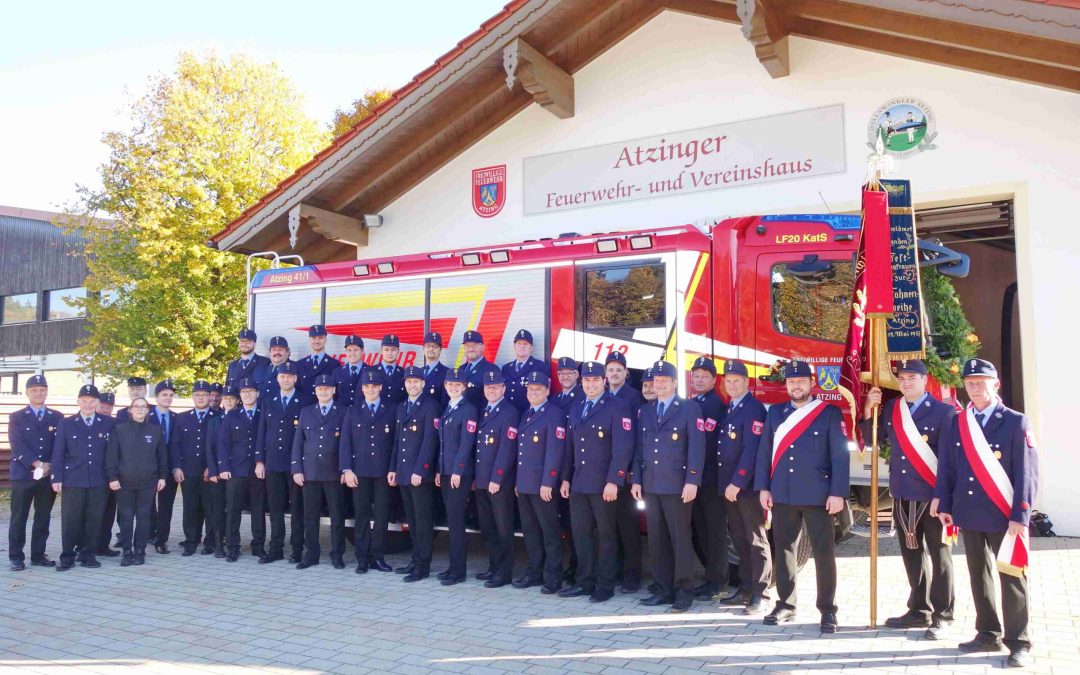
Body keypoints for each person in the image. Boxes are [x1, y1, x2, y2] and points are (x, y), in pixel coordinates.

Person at [933, 358, 1038, 668]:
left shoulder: (1016, 421)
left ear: (996, 384)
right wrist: (943, 502)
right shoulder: (958, 421)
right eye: (970, 383)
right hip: (969, 511)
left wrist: (1021, 515)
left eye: (981, 382)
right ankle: (987, 632)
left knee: (1012, 577)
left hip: (1003, 515)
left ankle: (1018, 641)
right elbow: (948, 467)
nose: (975, 388)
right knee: (979, 576)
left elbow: (1027, 473)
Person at [863, 359, 956, 637]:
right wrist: (869, 408)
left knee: (940, 557)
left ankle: (943, 615)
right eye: (902, 378)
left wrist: (943, 498)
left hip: (932, 498)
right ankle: (919, 609)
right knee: (911, 554)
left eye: (912, 377)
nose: (906, 383)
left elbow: (950, 462)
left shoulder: (944, 412)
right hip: (903, 494)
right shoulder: (893, 408)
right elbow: (873, 440)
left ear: (925, 380)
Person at [756, 360, 848, 633]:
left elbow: (840, 457)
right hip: (783, 492)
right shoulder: (776, 413)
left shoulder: (829, 413)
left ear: (811, 383)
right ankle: (786, 604)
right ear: (786, 385)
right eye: (791, 382)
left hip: (819, 494)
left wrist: (838, 493)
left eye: (801, 381)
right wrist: (763, 487)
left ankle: (828, 610)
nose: (796, 386)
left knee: (824, 552)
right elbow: (765, 453)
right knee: (784, 548)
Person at [631, 361, 706, 613]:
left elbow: (697, 447)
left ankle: (684, 591)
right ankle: (662, 589)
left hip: (677, 487)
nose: (659, 384)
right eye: (656, 381)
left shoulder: (689, 408)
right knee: (656, 540)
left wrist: (692, 480)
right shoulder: (648, 411)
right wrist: (637, 479)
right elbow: (640, 448)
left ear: (674, 383)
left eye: (665, 380)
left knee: (680, 539)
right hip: (651, 484)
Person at [558, 361, 634, 603]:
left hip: (604, 486)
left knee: (606, 535)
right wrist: (565, 479)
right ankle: (584, 581)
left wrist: (614, 481)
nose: (590, 384)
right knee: (580, 535)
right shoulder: (577, 406)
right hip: (579, 483)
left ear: (603, 380)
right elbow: (570, 447)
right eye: (586, 380)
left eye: (595, 380)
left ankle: (605, 584)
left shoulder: (617, 407)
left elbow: (622, 449)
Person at [719, 360, 771, 614]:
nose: (732, 385)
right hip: (729, 487)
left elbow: (752, 451)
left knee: (755, 539)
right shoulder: (731, 407)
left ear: (747, 382)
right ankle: (746, 587)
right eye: (728, 381)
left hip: (745, 486)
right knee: (739, 538)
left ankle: (760, 592)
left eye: (737, 380)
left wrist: (737, 482)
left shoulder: (753, 409)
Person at [513, 371, 567, 595]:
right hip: (525, 484)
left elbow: (555, 451)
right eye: (530, 389)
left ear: (547, 391)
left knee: (550, 532)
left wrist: (549, 482)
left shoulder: (554, 414)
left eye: (538, 389)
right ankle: (535, 571)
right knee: (531, 531)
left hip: (543, 486)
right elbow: (521, 452)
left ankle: (553, 576)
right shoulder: (526, 413)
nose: (533, 392)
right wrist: (518, 481)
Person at [51, 384, 114, 571]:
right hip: (73, 479)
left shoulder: (108, 423)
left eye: (92, 401)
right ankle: (67, 556)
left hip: (98, 479)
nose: (88, 404)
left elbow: (113, 452)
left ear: (97, 403)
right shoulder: (66, 423)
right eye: (84, 401)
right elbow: (58, 452)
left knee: (94, 519)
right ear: (78, 402)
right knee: (71, 519)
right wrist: (56, 478)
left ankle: (88, 554)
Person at [340, 369, 395, 574]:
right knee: (361, 516)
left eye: (374, 386)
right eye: (366, 386)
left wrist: (393, 469)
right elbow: (345, 442)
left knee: (381, 517)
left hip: (382, 472)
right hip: (359, 472)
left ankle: (377, 557)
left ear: (380, 387)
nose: (370, 390)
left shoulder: (391, 409)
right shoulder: (353, 411)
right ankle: (362, 558)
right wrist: (347, 470)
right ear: (362, 389)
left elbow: (396, 443)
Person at [292, 374, 347, 569]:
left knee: (337, 516)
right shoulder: (306, 412)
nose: (323, 391)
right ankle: (311, 554)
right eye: (320, 388)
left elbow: (346, 444)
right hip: (310, 472)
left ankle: (337, 554)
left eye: (327, 388)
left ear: (334, 390)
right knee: (310, 516)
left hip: (333, 473)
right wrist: (296, 468)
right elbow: (298, 442)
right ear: (315, 391)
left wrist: (345, 469)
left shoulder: (343, 411)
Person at [8, 374, 62, 571]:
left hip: (47, 476)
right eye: (34, 390)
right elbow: (17, 444)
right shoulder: (17, 417)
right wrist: (37, 463)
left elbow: (59, 445)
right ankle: (16, 556)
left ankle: (38, 555)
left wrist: (50, 466)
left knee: (43, 517)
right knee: (19, 517)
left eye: (42, 389)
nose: (39, 393)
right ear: (27, 393)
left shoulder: (56, 416)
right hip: (23, 475)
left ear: (46, 391)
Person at [106, 397, 168, 566]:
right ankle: (127, 551)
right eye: (137, 406)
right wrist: (112, 477)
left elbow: (162, 457)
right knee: (126, 517)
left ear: (148, 410)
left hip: (148, 483)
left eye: (144, 406)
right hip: (124, 482)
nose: (140, 409)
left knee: (143, 517)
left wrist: (162, 476)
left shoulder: (155, 431)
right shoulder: (119, 430)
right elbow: (112, 456)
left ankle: (140, 551)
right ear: (130, 410)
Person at [391, 366, 439, 582]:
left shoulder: (431, 407)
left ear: (423, 384)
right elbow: (397, 442)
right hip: (403, 472)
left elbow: (430, 442)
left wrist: (421, 470)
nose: (412, 385)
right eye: (409, 382)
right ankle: (415, 559)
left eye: (416, 381)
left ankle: (423, 565)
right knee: (411, 519)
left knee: (422, 520)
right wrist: (393, 468)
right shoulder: (401, 407)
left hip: (419, 474)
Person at [255, 361, 306, 564]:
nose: (286, 379)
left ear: (295, 378)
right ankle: (276, 548)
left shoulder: (305, 400)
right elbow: (262, 431)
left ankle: (297, 549)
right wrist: (259, 460)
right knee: (275, 508)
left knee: (296, 508)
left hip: (295, 464)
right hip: (273, 462)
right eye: (282, 376)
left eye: (289, 376)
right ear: (278, 378)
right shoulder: (268, 400)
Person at [473, 369, 518, 588]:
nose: (491, 390)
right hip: (482, 480)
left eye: (495, 387)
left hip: (497, 482)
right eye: (488, 387)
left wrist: (497, 478)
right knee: (488, 527)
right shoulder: (485, 410)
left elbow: (507, 449)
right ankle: (494, 566)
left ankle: (505, 572)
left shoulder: (509, 412)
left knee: (503, 528)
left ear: (503, 388)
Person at [689, 356, 728, 601]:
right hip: (698, 480)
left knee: (714, 534)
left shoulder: (715, 405)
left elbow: (706, 443)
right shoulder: (695, 402)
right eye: (696, 375)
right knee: (701, 530)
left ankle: (719, 583)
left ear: (715, 380)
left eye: (705, 375)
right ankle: (709, 579)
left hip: (711, 479)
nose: (699, 379)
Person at [435, 367, 479, 585]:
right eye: (450, 384)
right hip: (445, 472)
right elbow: (443, 445)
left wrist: (457, 470)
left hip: (457, 474)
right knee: (451, 521)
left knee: (456, 522)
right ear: (446, 386)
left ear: (464, 387)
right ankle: (453, 567)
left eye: (457, 385)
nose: (453, 387)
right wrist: (439, 469)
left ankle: (458, 571)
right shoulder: (448, 408)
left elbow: (466, 444)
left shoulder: (468, 409)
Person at [606, 351, 645, 593]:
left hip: (625, 473)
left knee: (628, 527)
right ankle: (616, 570)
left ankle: (632, 576)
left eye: (619, 370)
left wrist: (631, 472)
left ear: (626, 372)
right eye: (610, 370)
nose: (614, 373)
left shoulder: (634, 398)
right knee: (609, 527)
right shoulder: (598, 395)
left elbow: (636, 438)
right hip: (604, 473)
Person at [214, 378, 263, 562]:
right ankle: (233, 546)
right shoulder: (232, 416)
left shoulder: (262, 414)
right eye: (244, 392)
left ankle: (258, 545)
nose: (248, 394)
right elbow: (223, 444)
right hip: (236, 470)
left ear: (257, 394)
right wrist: (224, 467)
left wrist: (262, 463)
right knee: (233, 510)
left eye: (251, 391)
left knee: (258, 510)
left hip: (257, 471)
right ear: (240, 396)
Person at [170, 380, 218, 556]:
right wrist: (176, 467)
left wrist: (212, 468)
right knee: (190, 507)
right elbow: (175, 444)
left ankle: (210, 541)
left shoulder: (217, 416)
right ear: (192, 396)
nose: (201, 398)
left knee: (210, 507)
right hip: (188, 470)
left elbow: (220, 445)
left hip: (209, 471)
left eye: (204, 395)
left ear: (209, 396)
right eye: (197, 395)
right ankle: (191, 540)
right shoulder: (182, 418)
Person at [205, 386, 238, 557]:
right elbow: (209, 448)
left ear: (237, 401)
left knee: (232, 509)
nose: (228, 401)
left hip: (235, 472)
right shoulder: (214, 421)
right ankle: (218, 543)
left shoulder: (241, 418)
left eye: (232, 399)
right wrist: (212, 471)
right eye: (226, 399)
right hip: (217, 473)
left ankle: (232, 541)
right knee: (217, 509)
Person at [146, 380, 178, 553]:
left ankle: (161, 539)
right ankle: (148, 534)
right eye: (164, 395)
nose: (168, 398)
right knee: (148, 504)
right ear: (156, 397)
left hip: (168, 469)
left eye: (171, 395)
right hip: (149, 468)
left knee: (166, 505)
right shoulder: (146, 416)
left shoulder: (176, 418)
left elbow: (177, 445)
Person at [501, 329, 546, 411]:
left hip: (528, 414)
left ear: (531, 347)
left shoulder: (540, 367)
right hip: (508, 414)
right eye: (519, 343)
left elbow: (545, 393)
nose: (522, 346)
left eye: (525, 344)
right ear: (514, 346)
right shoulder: (506, 368)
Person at [297, 325, 337, 397]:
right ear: (309, 340)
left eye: (320, 338)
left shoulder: (334, 364)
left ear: (325, 339)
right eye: (314, 338)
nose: (317, 341)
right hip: (304, 407)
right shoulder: (299, 364)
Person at [461, 330, 497, 410]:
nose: (471, 349)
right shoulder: (461, 369)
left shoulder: (492, 370)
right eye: (467, 346)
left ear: (482, 347)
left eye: (474, 345)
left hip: (479, 419)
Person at [259, 336, 297, 405]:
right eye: (274, 349)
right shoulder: (261, 370)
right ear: (269, 352)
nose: (277, 352)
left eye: (280, 349)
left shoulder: (296, 368)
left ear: (287, 352)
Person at [334, 334, 367, 408]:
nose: (352, 353)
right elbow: (333, 396)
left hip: (362, 415)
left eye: (356, 350)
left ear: (362, 351)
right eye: (349, 350)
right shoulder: (337, 372)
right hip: (342, 416)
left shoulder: (370, 371)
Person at [377, 334, 407, 406]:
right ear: (381, 350)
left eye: (393, 350)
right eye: (386, 349)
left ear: (398, 351)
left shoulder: (404, 373)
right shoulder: (370, 371)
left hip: (398, 416)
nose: (390, 353)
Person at [421, 331, 449, 407]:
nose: (431, 349)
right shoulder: (418, 372)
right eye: (428, 346)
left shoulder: (447, 373)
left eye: (435, 346)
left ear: (441, 350)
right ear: (423, 348)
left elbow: (445, 403)